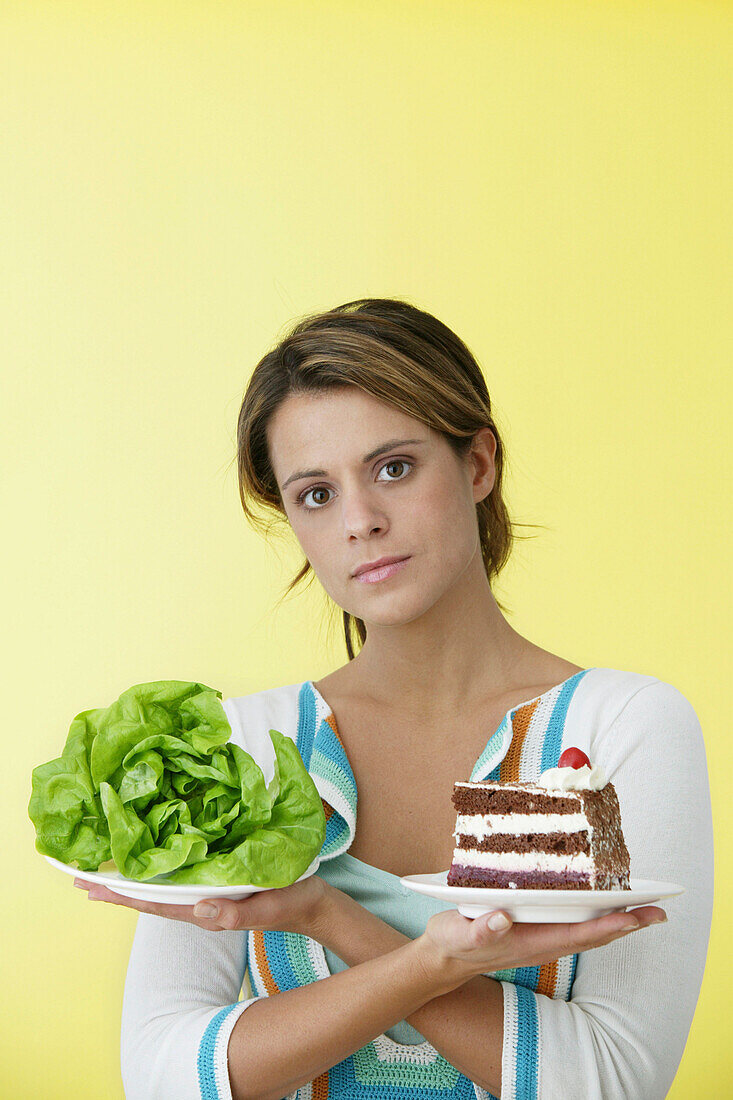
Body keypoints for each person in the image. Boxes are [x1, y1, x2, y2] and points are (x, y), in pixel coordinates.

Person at [78, 298, 713, 1100]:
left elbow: (609, 1080)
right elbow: (162, 1076)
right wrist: (422, 962)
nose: (361, 522)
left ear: (477, 465)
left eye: (393, 468)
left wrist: (329, 917)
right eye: (315, 494)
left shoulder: (617, 726)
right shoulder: (245, 745)